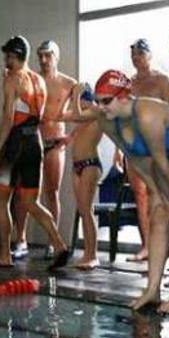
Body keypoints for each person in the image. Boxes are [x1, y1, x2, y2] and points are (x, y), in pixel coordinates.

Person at [67, 70, 169, 313]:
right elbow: (135, 159)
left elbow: (161, 161)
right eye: (97, 101)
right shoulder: (107, 120)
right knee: (158, 216)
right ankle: (152, 290)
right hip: (167, 158)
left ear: (124, 96)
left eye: (106, 100)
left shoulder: (146, 115)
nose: (101, 107)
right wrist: (157, 191)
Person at [0, 36, 72, 269]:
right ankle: (60, 245)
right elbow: (38, 115)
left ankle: (5, 255)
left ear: (17, 57)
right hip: (35, 142)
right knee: (31, 201)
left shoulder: (13, 80)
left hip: (15, 143)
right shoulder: (39, 81)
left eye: (9, 57)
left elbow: (7, 118)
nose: (5, 60)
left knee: (2, 198)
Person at [12, 40, 77, 260]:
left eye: (48, 55)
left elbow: (87, 113)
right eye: (40, 55)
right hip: (31, 141)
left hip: (54, 143)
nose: (43, 59)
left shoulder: (69, 84)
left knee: (52, 192)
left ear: (56, 57)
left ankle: (53, 241)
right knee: (24, 193)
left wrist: (70, 137)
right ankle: (20, 239)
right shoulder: (31, 79)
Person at [125, 39, 169, 262]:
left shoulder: (162, 80)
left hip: (157, 144)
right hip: (134, 144)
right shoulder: (128, 83)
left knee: (159, 194)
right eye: (133, 55)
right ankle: (146, 245)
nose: (136, 58)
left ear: (149, 55)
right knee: (140, 195)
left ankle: (159, 245)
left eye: (140, 54)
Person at [61, 83, 107, 269]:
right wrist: (68, 97)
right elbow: (61, 116)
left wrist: (77, 93)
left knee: (87, 210)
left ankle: (93, 255)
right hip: (77, 166)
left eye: (81, 100)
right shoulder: (81, 120)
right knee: (83, 210)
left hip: (90, 165)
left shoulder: (97, 111)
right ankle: (87, 253)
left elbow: (76, 114)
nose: (78, 104)